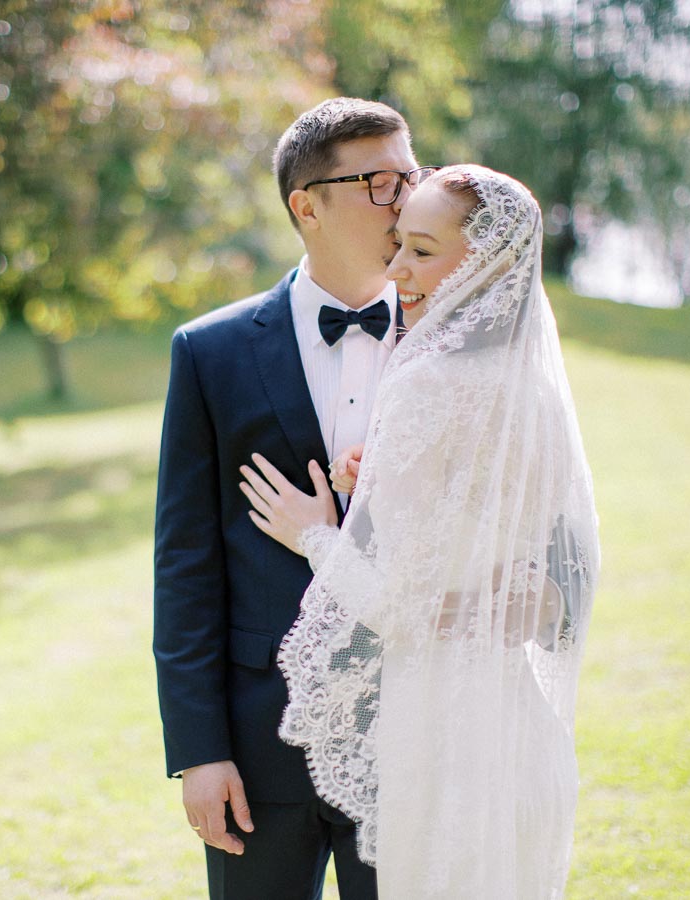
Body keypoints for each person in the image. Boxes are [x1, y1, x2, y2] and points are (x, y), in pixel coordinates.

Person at [239, 165, 600, 898]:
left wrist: (315, 534)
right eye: (399, 244)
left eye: (423, 251)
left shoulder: (427, 382)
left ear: (491, 262)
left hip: (439, 726)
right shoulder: (535, 389)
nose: (397, 269)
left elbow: (401, 609)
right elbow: (547, 556)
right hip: (515, 721)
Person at [153, 97, 436, 899]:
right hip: (257, 743)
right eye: (380, 182)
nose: (404, 200)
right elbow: (185, 564)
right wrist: (200, 749)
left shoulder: (452, 346)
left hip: (412, 729)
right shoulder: (209, 352)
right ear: (305, 205)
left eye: (410, 176)